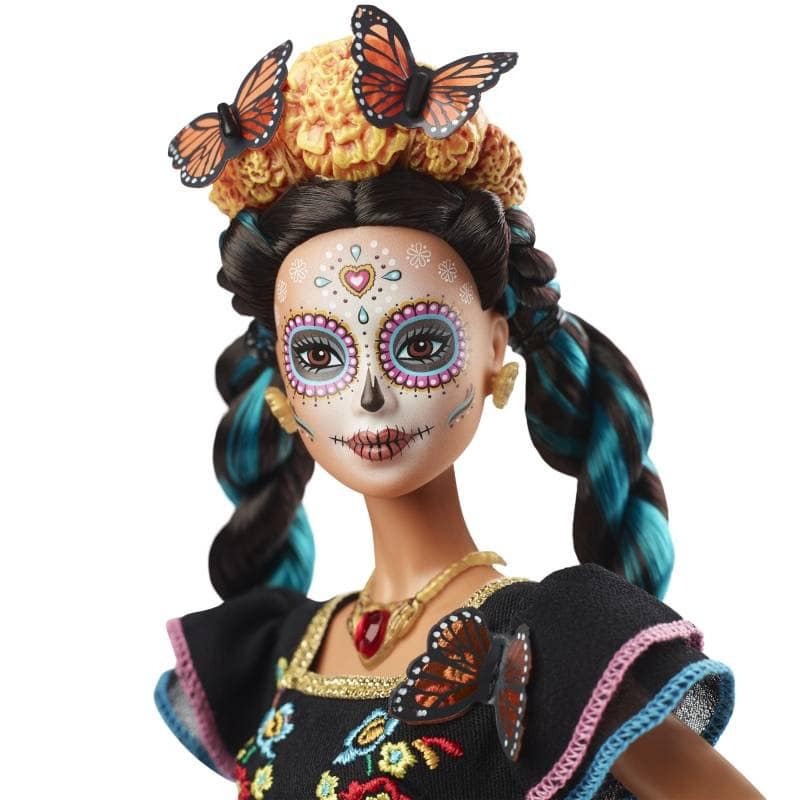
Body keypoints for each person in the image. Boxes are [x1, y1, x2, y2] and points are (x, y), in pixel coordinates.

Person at [156, 11, 764, 799]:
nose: (369, 394)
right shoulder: (276, 653)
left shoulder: (542, 646)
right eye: (320, 354)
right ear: (281, 387)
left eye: (418, 344)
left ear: (493, 348)